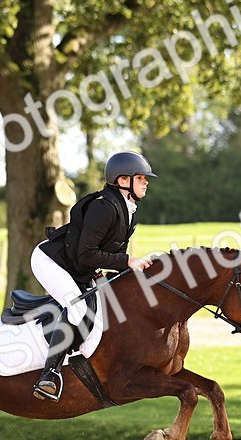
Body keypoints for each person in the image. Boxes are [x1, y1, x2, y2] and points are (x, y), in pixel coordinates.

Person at [29, 151, 156, 400]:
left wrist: (137, 268)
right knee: (77, 308)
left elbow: (110, 254)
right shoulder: (104, 207)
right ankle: (49, 375)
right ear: (123, 180)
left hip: (78, 265)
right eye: (141, 178)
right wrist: (127, 261)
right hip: (51, 262)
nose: (146, 183)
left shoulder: (129, 210)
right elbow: (87, 254)